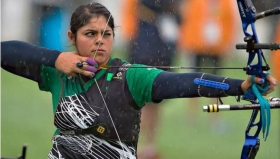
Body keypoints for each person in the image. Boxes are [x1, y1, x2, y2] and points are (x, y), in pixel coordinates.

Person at [1, 2, 277, 159]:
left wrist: (239, 86)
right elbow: (5, 52)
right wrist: (56, 58)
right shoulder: (58, 71)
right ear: (72, 37)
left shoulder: (132, 77)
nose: (100, 41)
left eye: (106, 34)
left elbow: (187, 83)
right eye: (90, 34)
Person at [121, 0, 181, 158]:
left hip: (161, 44)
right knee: (140, 97)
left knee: (155, 99)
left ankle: (149, 145)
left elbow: (178, 12)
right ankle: (137, 144)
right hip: (145, 42)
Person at [177, 0, 239, 129]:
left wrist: (227, 43)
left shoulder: (226, 4)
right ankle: (192, 114)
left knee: (219, 82)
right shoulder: (196, 3)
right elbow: (188, 21)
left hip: (217, 47)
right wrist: (186, 42)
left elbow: (230, 23)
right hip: (197, 45)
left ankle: (215, 117)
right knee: (194, 80)